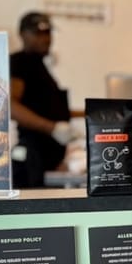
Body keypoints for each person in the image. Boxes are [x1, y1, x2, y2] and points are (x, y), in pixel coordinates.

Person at [9, 11, 77, 188]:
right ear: (23, 34)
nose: (46, 39)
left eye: (48, 33)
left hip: (49, 160)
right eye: (38, 33)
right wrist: (52, 128)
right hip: (32, 158)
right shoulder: (19, 63)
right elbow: (10, 106)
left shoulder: (39, 65)